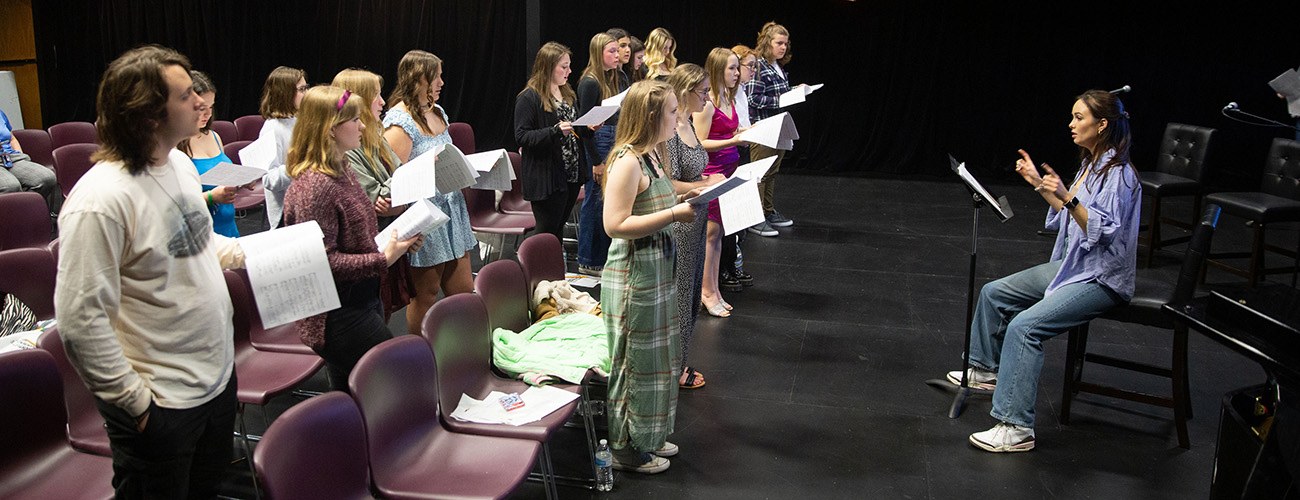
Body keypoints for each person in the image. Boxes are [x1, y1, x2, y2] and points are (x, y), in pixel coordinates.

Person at [55, 45, 247, 498]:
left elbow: (195, 245)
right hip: (161, 403)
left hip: (215, 383)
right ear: (147, 115)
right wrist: (137, 406)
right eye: (185, 96)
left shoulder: (179, 164)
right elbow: (81, 322)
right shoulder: (101, 200)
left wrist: (263, 251)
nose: (201, 101)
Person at [946, 90, 1141, 453]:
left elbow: (1102, 232)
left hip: (1101, 278)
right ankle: (985, 369)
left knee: (1025, 327)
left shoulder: (1120, 175)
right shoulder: (1090, 166)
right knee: (995, 292)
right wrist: (1038, 183)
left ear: (1102, 125)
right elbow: (1072, 214)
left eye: (1079, 118)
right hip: (1074, 266)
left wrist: (1067, 197)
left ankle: (1017, 427)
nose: (1071, 124)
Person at [283, 86, 422, 391]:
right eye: (354, 120)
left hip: (361, 299)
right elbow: (320, 261)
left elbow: (358, 237)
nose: (363, 125)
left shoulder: (342, 168)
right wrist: (384, 257)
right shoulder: (315, 188)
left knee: (354, 397)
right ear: (330, 129)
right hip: (336, 314)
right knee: (401, 381)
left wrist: (397, 243)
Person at [602, 79, 700, 474]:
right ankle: (626, 449)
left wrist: (683, 198)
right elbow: (615, 224)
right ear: (651, 116)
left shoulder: (652, 157)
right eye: (673, 112)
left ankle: (648, 436)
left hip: (655, 272)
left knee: (656, 359)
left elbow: (652, 201)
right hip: (633, 277)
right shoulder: (627, 161)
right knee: (632, 363)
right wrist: (674, 214)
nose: (679, 118)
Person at [382, 50, 478, 335]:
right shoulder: (400, 122)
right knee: (426, 294)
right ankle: (417, 354)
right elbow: (394, 179)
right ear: (418, 79)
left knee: (463, 291)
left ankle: (464, 350)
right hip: (425, 213)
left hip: (451, 208)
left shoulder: (437, 111)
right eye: (436, 76)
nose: (442, 82)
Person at [332, 68, 413, 319]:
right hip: (367, 250)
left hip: (385, 237)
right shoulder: (347, 149)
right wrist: (401, 188)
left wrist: (400, 193)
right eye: (375, 96)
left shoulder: (375, 136)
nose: (381, 102)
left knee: (382, 311)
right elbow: (378, 197)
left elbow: (400, 184)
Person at [667, 63, 724, 389]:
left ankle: (681, 360)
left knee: (690, 298)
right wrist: (699, 186)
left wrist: (709, 180)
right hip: (682, 222)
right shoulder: (672, 128)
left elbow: (692, 174)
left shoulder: (688, 122)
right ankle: (673, 366)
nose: (707, 97)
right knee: (680, 297)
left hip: (697, 216)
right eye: (703, 91)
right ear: (686, 91)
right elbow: (668, 182)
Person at [515, 41, 589, 242]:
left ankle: (554, 271)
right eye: (563, 66)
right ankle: (534, 269)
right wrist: (554, 131)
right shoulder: (529, 98)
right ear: (547, 67)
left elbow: (574, 127)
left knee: (557, 230)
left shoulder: (566, 93)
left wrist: (587, 126)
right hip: (546, 175)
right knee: (547, 231)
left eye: (569, 66)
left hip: (570, 172)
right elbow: (522, 136)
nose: (569, 71)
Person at [694, 48, 745, 317]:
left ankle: (713, 288)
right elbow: (700, 142)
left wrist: (744, 133)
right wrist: (733, 140)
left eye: (737, 68)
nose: (737, 74)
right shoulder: (709, 103)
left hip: (730, 168)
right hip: (713, 171)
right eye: (731, 69)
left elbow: (730, 131)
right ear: (717, 70)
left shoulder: (729, 98)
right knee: (711, 235)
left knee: (720, 235)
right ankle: (706, 291)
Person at [576, 32, 627, 276]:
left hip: (615, 136)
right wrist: (596, 161)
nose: (617, 56)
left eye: (618, 51)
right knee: (595, 198)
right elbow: (584, 127)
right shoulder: (591, 82)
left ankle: (606, 256)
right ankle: (589, 259)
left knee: (609, 199)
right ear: (599, 53)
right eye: (612, 52)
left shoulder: (617, 77)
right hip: (599, 141)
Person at [179, 70, 244, 237]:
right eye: (202, 108)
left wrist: (241, 181)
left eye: (211, 107)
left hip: (228, 226)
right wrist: (211, 197)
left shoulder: (214, 136)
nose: (208, 114)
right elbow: (173, 206)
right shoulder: (174, 147)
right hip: (201, 234)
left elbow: (221, 176)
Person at [744, 22, 794, 237]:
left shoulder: (777, 66)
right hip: (763, 127)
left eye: (786, 43)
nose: (783, 47)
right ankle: (755, 218)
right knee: (760, 173)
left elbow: (777, 93)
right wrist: (782, 99)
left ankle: (768, 211)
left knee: (772, 172)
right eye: (779, 43)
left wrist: (794, 90)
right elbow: (752, 98)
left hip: (778, 126)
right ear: (767, 43)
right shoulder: (759, 66)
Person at [258, 66, 307, 229]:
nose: (306, 94)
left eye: (306, 88)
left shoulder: (300, 119)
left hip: (304, 205)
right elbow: (269, 180)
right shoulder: (272, 128)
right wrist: (299, 164)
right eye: (301, 89)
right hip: (285, 214)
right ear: (285, 94)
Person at [729, 44, 759, 287]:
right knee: (727, 221)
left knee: (739, 218)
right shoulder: (722, 96)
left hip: (741, 147)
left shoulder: (741, 91)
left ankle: (734, 264)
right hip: (730, 152)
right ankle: (728, 267)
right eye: (748, 65)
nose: (748, 71)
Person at [0, 107, 56, 203]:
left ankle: (26, 209)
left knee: (47, 178)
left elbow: (12, 138)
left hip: (10, 157)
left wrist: (20, 155)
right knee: (11, 187)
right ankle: (11, 214)